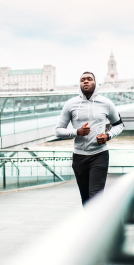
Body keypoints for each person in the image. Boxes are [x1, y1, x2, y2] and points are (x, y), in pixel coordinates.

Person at [55, 72, 124, 205]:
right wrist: (77, 132)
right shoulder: (70, 104)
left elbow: (119, 125)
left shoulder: (106, 103)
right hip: (79, 157)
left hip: (99, 155)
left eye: (89, 79)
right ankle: (92, 224)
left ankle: (99, 225)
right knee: (86, 199)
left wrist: (107, 136)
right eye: (82, 80)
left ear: (95, 82)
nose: (85, 82)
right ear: (79, 84)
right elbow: (58, 131)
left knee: (95, 197)